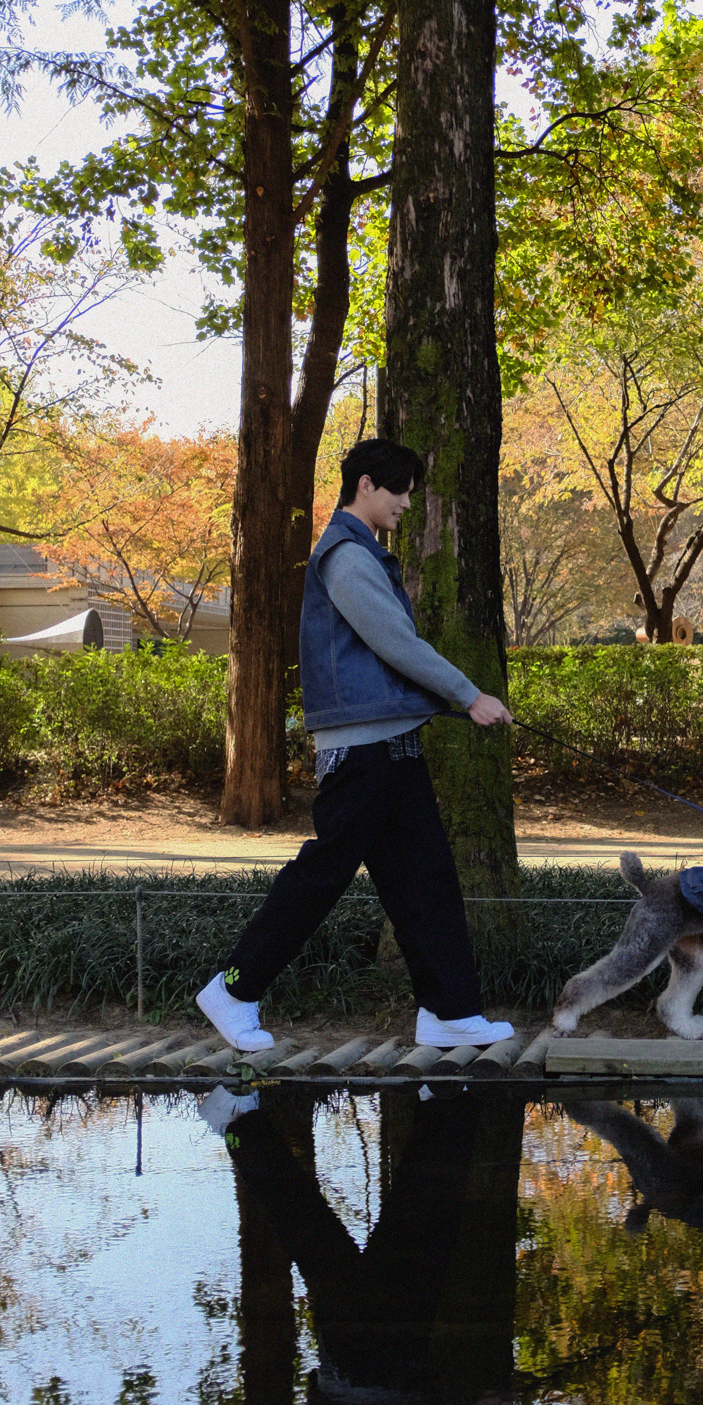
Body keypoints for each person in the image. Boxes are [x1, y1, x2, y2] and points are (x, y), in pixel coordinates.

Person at [196, 437, 515, 1052]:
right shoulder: (345, 555)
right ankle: (233, 990)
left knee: (426, 879)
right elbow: (395, 640)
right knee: (321, 876)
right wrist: (468, 695)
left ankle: (448, 1011)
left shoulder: (362, 551)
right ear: (366, 484)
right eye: (398, 492)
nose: (405, 505)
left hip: (391, 746)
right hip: (364, 751)